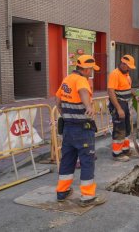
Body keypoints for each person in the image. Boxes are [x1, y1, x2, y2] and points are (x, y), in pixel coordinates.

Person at [55, 55, 106, 207]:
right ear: (85, 68)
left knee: (67, 160)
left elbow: (57, 100)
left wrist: (64, 114)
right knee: (87, 161)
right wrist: (89, 107)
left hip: (68, 128)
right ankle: (88, 196)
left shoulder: (67, 79)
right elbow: (84, 92)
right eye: (91, 69)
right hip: (82, 130)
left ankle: (62, 192)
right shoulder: (82, 80)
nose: (91, 72)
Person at [108, 55, 139, 162]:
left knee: (126, 128)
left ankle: (125, 150)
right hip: (119, 104)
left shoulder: (127, 75)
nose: (130, 68)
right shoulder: (115, 74)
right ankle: (117, 154)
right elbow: (111, 91)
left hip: (126, 105)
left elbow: (128, 89)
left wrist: (135, 95)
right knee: (119, 129)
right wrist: (119, 109)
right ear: (123, 64)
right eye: (128, 66)